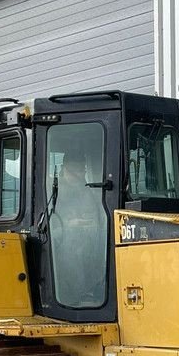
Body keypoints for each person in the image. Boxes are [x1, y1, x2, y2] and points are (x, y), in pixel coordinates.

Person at [48, 132, 108, 308]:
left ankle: (94, 289)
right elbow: (44, 225)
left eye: (83, 170)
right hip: (60, 251)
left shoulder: (89, 192)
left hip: (89, 249)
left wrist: (97, 224)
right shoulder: (52, 193)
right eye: (76, 170)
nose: (81, 174)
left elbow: (101, 215)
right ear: (64, 168)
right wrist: (70, 226)